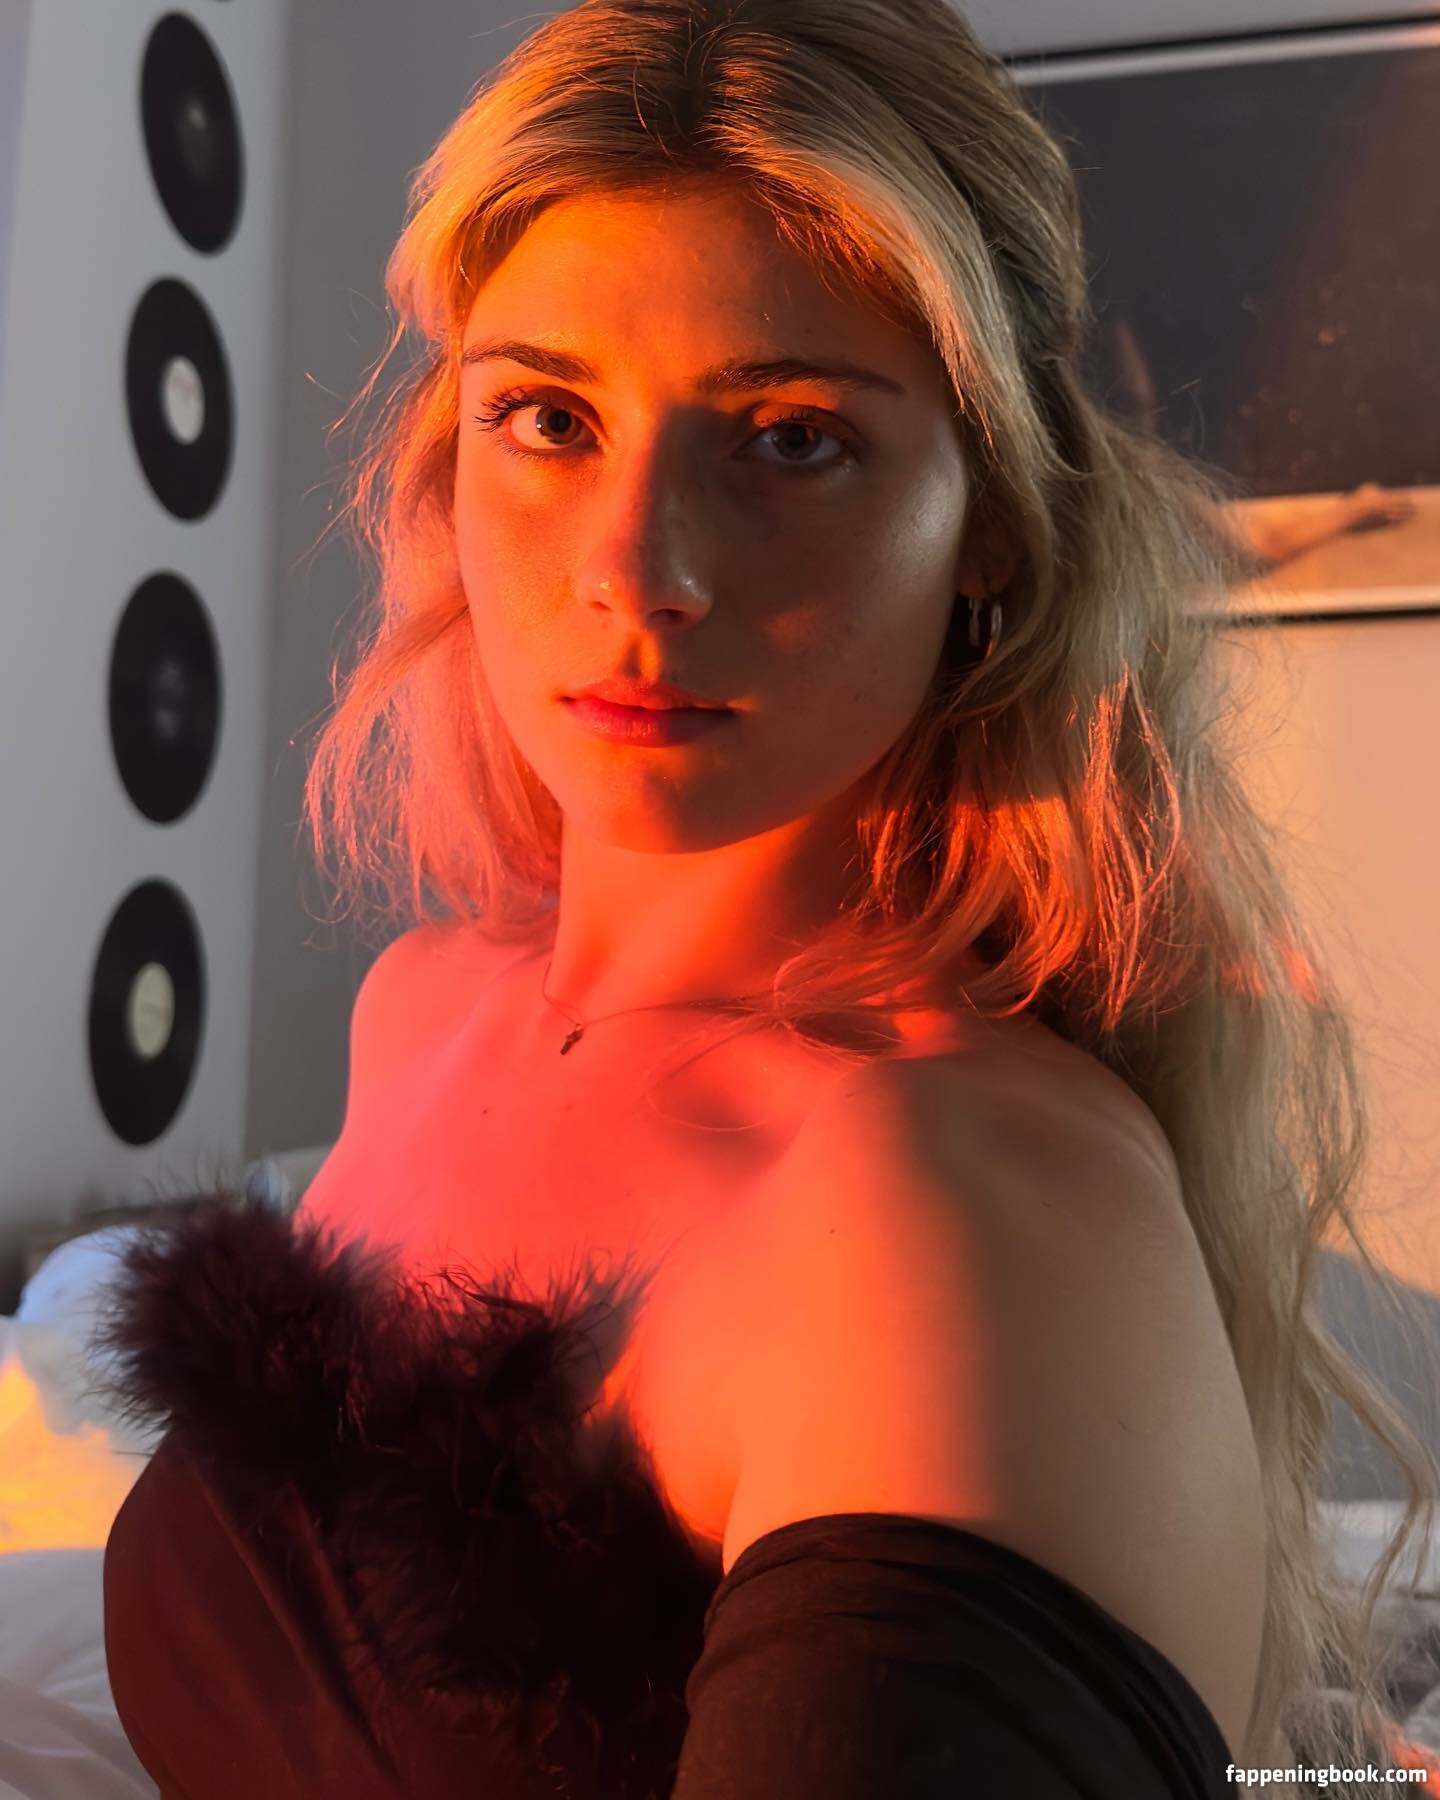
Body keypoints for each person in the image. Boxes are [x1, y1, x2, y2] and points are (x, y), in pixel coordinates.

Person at [95, 0, 1440, 1795]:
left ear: (992, 524)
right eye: (548, 417)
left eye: (792, 438)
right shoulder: (423, 1004)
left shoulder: (949, 1203)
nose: (639, 570)